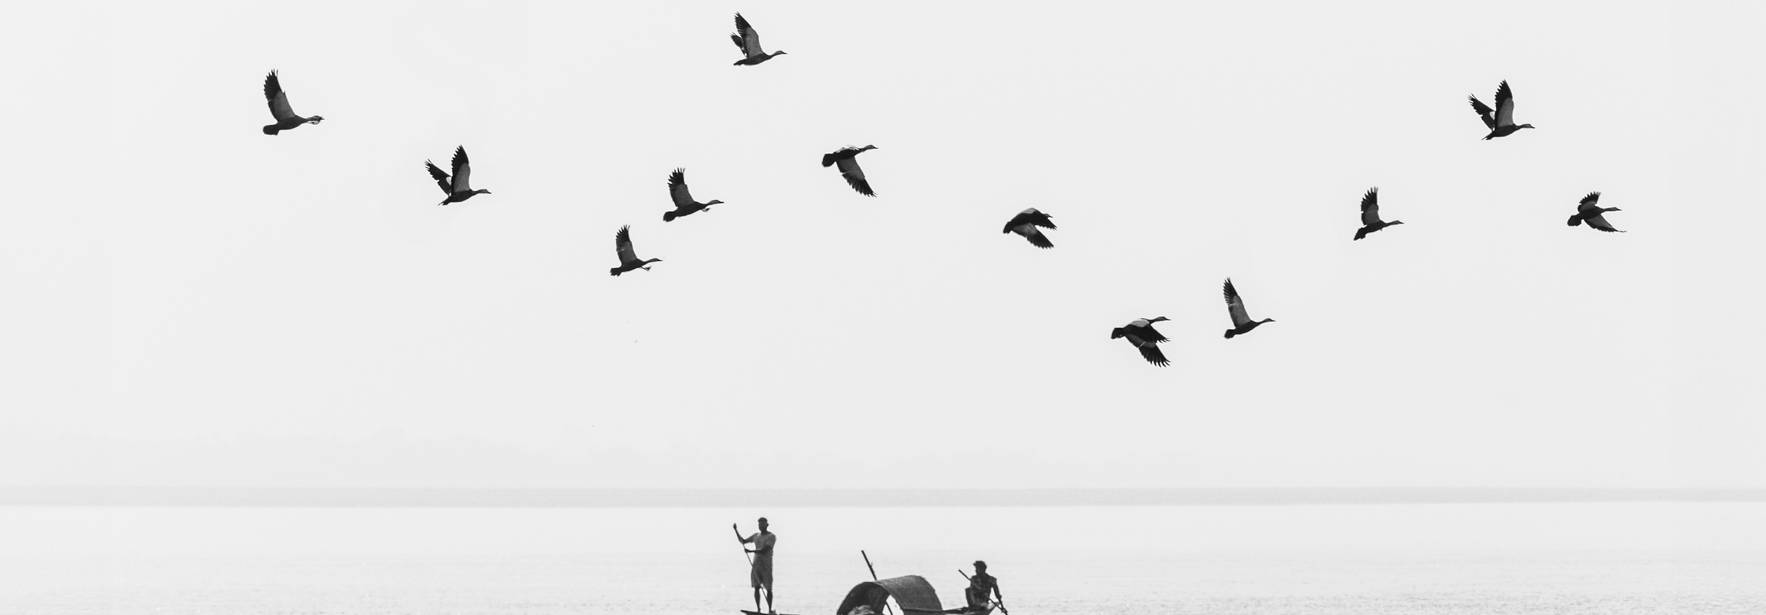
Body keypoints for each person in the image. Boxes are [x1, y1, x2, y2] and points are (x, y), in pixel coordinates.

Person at [734, 517, 777, 613]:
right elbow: (743, 541)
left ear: (767, 525)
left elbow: (765, 549)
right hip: (756, 565)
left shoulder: (771, 536)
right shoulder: (756, 536)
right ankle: (758, 609)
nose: (761, 526)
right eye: (759, 524)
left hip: (766, 566)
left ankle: (770, 610)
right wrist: (736, 531)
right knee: (756, 587)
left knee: (768, 589)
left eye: (762, 524)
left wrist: (751, 551)